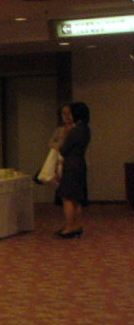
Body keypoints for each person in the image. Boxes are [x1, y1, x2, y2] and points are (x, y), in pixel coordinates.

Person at [54, 101, 90, 238]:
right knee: (77, 198)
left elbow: (64, 149)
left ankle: (69, 227)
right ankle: (78, 225)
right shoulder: (86, 129)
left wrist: (60, 145)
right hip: (80, 163)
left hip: (71, 165)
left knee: (67, 197)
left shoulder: (75, 130)